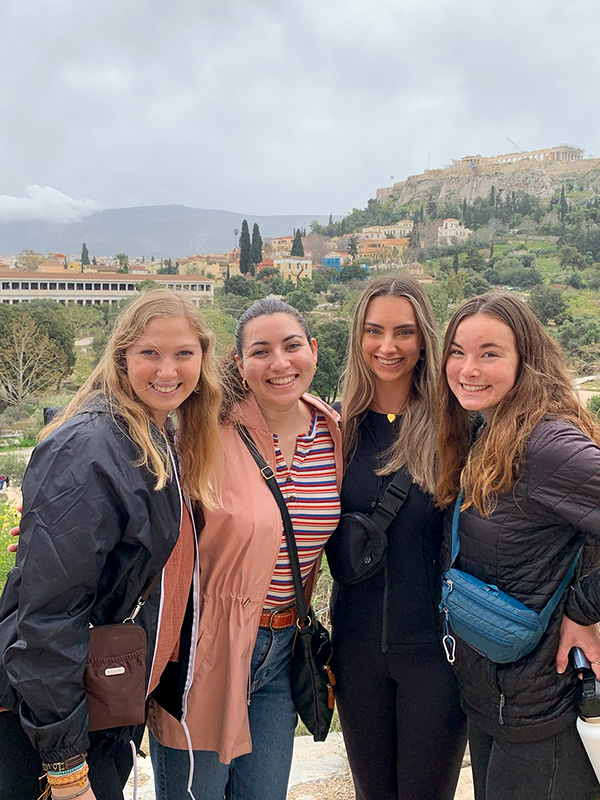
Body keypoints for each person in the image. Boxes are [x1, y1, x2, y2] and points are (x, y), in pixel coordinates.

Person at [0, 289, 222, 800]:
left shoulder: (156, 434)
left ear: (203, 359)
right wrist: (67, 770)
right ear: (121, 356)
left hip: (99, 707)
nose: (168, 370)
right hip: (50, 727)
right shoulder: (91, 447)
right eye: (150, 353)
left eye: (184, 354)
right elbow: (49, 617)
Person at [147, 297, 343, 800]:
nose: (279, 363)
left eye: (292, 346)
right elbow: (137, 494)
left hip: (281, 651)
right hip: (202, 651)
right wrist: (63, 522)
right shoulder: (201, 430)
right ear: (239, 363)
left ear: (313, 351)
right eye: (261, 351)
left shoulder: (335, 432)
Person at [436, 292, 600, 800]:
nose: (468, 368)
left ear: (524, 360)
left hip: (545, 709)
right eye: (458, 351)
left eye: (490, 353)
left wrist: (586, 609)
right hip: (498, 698)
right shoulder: (491, 429)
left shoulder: (546, 444)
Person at [326, 275, 467, 800]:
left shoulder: (457, 429)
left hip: (438, 654)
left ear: (424, 338)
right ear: (358, 337)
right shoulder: (336, 431)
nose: (388, 347)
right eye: (374, 331)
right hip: (355, 651)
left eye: (403, 332)